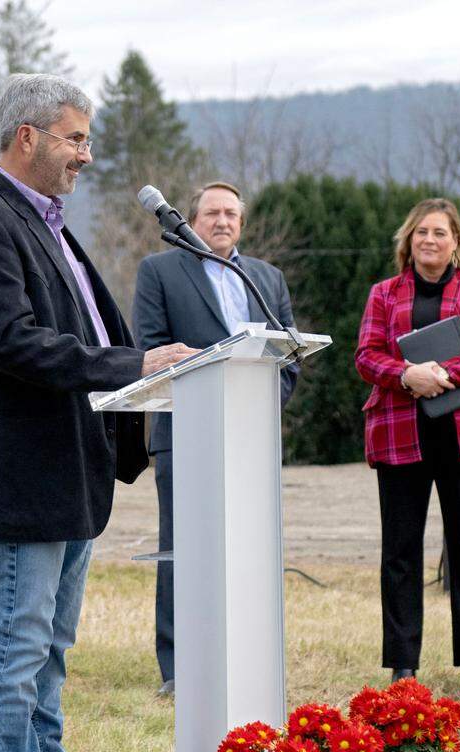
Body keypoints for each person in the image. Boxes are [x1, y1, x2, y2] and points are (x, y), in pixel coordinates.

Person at [0, 73, 195, 752]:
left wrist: (141, 368)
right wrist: (133, 365)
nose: (85, 154)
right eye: (75, 139)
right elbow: (11, 342)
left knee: (51, 653)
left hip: (71, 477)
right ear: (28, 137)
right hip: (24, 482)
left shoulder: (48, 223)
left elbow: (83, 331)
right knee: (18, 650)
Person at [132, 180, 298, 697]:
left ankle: (242, 650)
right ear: (193, 220)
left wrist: (259, 407)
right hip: (185, 432)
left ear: (241, 224)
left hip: (250, 436)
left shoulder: (266, 278)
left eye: (231, 214)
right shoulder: (159, 271)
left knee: (246, 547)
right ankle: (177, 664)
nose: (221, 221)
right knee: (182, 548)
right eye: (211, 213)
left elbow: (289, 356)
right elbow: (152, 349)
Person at [354, 198, 460, 694]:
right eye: (421, 232)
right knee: (400, 551)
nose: (429, 240)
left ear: (456, 242)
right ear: (409, 240)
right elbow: (366, 356)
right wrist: (407, 375)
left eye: (440, 233)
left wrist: (441, 374)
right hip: (402, 433)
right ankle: (403, 664)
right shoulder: (384, 294)